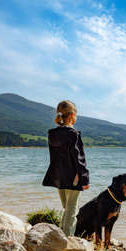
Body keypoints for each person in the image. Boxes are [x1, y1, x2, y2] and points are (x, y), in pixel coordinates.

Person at [42, 100, 90, 236]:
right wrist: (84, 179)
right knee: (71, 211)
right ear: (72, 116)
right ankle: (67, 242)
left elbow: (54, 157)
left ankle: (61, 236)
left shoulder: (52, 133)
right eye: (76, 115)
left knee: (67, 209)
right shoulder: (73, 134)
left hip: (58, 177)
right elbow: (79, 158)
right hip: (73, 176)